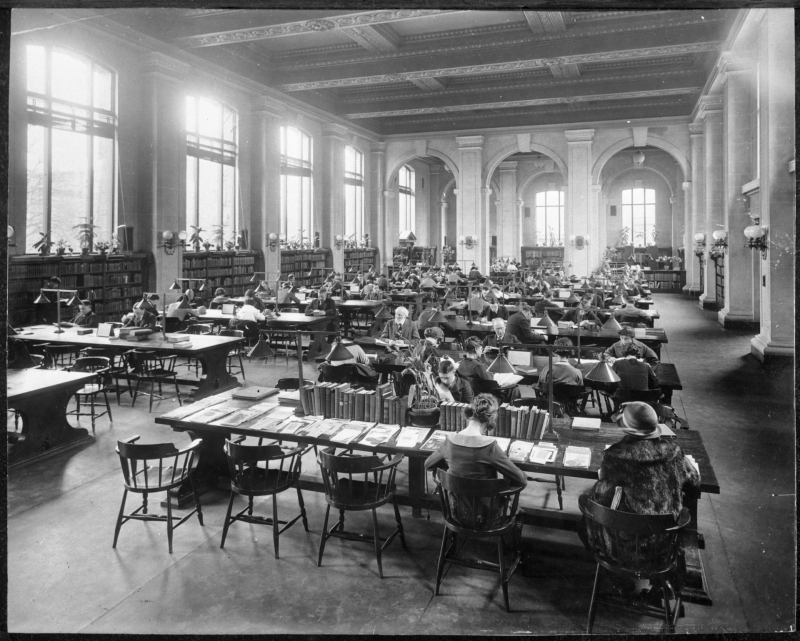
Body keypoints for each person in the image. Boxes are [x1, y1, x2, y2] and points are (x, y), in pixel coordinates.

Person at [578, 402, 700, 590]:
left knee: (585, 509)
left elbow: (600, 497)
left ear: (627, 429)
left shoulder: (616, 455)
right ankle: (661, 583)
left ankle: (617, 581)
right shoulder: (674, 451)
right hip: (665, 546)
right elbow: (694, 480)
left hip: (626, 549)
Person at [424, 393, 527, 486]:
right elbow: (521, 479)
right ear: (492, 418)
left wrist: (453, 463)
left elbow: (428, 465)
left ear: (469, 414)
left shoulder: (450, 441)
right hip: (485, 506)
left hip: (454, 504)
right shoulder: (490, 447)